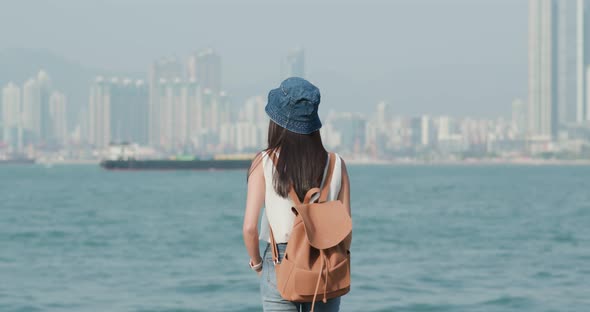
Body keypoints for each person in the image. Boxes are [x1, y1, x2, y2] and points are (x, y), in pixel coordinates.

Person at [242, 77, 351, 312]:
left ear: (277, 121)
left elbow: (250, 228)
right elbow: (346, 229)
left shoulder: (264, 162)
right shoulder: (336, 163)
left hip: (279, 260)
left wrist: (259, 265)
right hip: (326, 260)